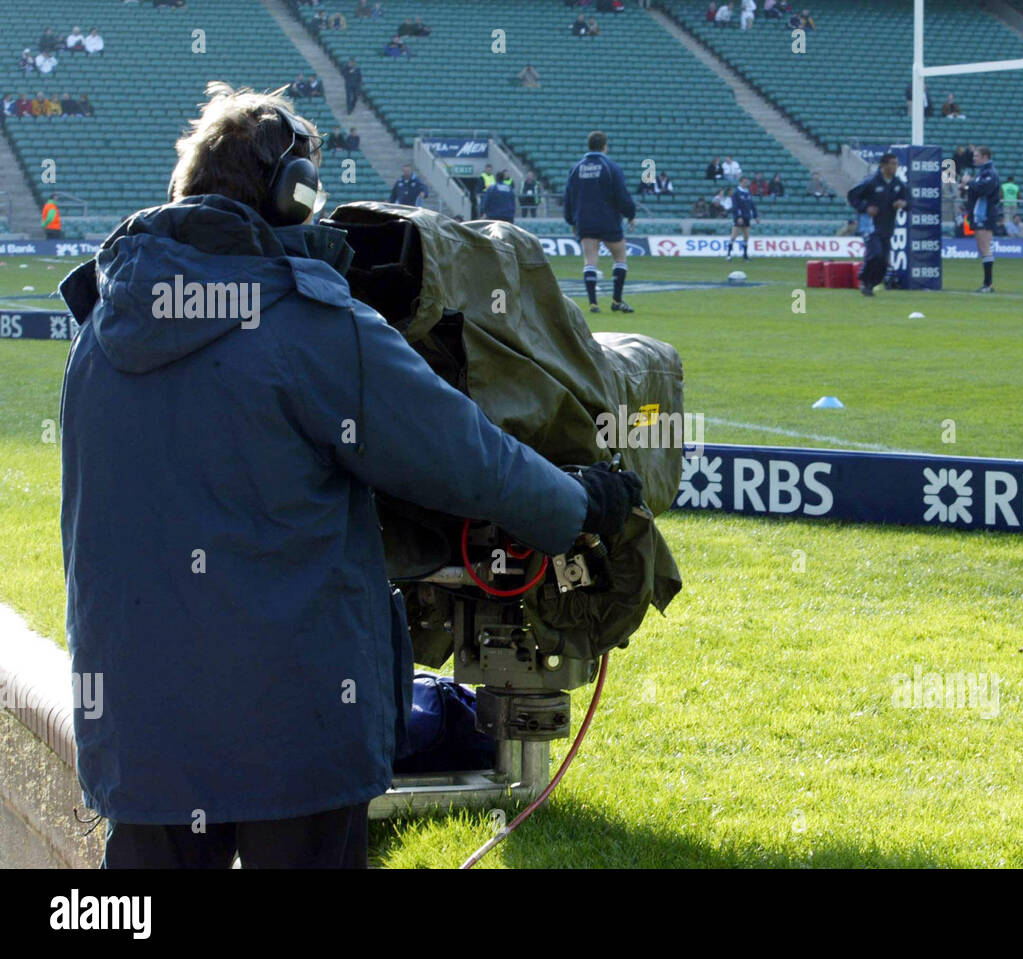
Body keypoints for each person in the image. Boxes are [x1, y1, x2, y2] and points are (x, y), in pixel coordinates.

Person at [57, 81, 642, 870]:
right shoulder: (309, 322)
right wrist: (576, 504)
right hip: (291, 737)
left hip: (138, 734)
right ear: (291, 194)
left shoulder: (98, 329)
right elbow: (467, 456)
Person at [564, 130, 638, 313]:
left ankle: (593, 304)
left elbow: (568, 197)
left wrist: (571, 220)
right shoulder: (610, 167)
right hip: (608, 220)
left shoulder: (576, 168)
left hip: (585, 221)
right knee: (620, 258)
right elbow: (621, 194)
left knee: (590, 260)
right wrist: (630, 214)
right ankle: (617, 301)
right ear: (605, 146)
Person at [847, 151, 908, 296]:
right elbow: (852, 196)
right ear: (883, 165)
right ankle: (864, 279)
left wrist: (903, 204)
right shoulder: (871, 182)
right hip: (870, 225)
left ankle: (871, 283)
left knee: (883, 260)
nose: (895, 167)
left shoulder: (898, 184)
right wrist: (865, 208)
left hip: (887, 226)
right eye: (892, 164)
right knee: (875, 254)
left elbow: (908, 202)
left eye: (896, 164)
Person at [962, 145, 1000, 292]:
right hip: (979, 213)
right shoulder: (982, 172)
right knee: (982, 248)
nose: (974, 158)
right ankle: (987, 283)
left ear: (985, 157)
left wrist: (969, 182)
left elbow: (984, 188)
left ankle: (988, 284)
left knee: (985, 247)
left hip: (983, 214)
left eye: (976, 156)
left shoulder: (990, 173)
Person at [726, 175, 758, 260]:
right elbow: (735, 206)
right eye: (744, 182)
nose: (746, 183)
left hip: (747, 216)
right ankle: (728, 254)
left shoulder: (748, 192)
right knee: (734, 235)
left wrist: (756, 215)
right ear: (740, 182)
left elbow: (752, 205)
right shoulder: (736, 193)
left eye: (746, 182)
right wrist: (739, 216)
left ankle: (745, 255)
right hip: (739, 217)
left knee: (746, 236)